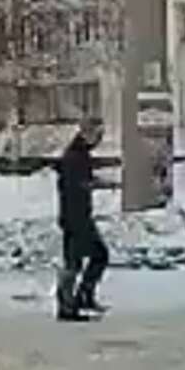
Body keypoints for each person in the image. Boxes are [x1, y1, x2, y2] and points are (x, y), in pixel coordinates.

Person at [55, 117, 109, 322]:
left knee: (93, 256)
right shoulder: (74, 156)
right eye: (98, 134)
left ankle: (81, 297)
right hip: (74, 217)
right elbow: (76, 185)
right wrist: (95, 184)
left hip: (78, 215)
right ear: (88, 133)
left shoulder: (80, 154)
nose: (100, 139)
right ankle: (67, 306)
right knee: (78, 261)